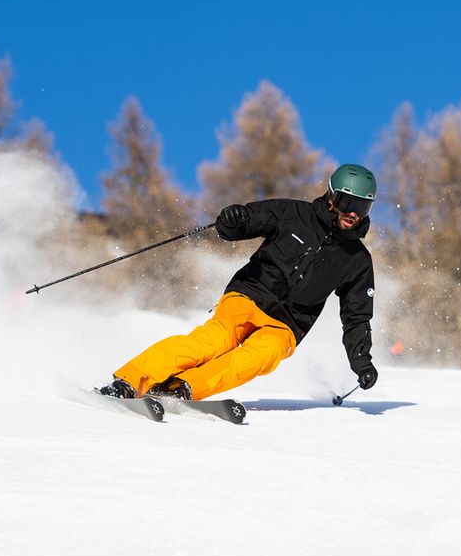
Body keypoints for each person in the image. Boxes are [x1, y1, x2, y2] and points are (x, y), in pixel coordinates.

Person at [99, 163, 379, 401]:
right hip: (248, 296)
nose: (353, 212)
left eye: (362, 206)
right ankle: (129, 380)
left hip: (287, 325)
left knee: (259, 357)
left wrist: (362, 362)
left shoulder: (357, 260)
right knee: (209, 343)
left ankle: (183, 388)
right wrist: (234, 219)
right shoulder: (293, 214)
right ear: (331, 197)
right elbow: (247, 222)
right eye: (347, 202)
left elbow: (356, 318)